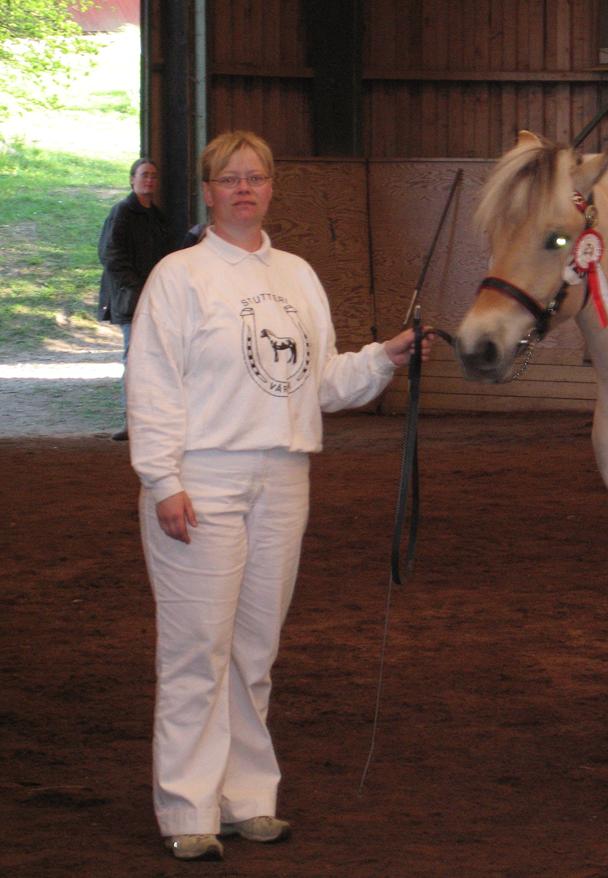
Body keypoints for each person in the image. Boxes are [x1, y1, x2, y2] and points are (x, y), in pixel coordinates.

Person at [125, 130, 430, 862]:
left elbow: (319, 382)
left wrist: (383, 359)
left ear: (270, 188)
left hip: (284, 475)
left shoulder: (297, 274)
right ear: (207, 191)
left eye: (255, 177)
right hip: (204, 477)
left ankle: (248, 798)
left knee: (255, 649)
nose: (244, 189)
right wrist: (163, 479)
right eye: (229, 178)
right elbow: (153, 382)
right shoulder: (179, 275)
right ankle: (187, 807)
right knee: (198, 649)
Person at [98, 157, 173, 440]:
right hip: (132, 301)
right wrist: (137, 289)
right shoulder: (122, 213)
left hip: (155, 300)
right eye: (144, 175)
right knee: (135, 360)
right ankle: (132, 421)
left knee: (156, 361)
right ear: (132, 180)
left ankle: (153, 420)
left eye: (153, 175)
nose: (149, 180)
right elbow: (110, 255)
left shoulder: (158, 218)